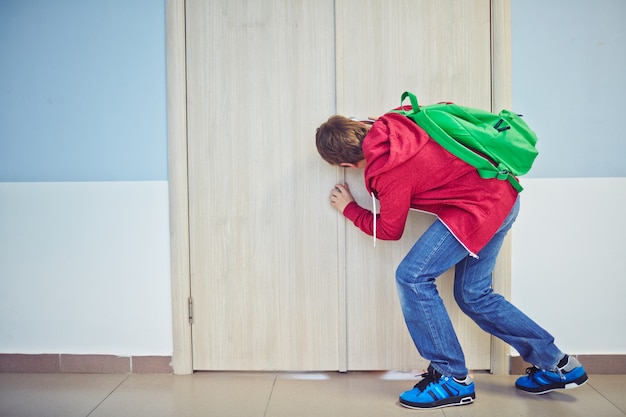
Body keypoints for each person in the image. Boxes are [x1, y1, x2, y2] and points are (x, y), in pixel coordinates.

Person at [315, 112, 588, 409]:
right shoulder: (395, 120)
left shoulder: (386, 169)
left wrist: (350, 209)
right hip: (502, 193)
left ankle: (452, 378)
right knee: (474, 294)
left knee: (412, 277)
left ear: (346, 165)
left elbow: (390, 230)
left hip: (476, 208)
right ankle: (557, 365)